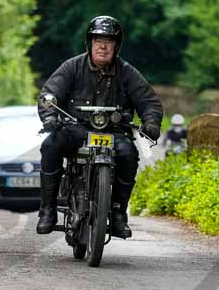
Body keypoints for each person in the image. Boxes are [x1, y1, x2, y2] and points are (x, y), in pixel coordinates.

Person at [37, 15, 163, 238]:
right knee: (50, 145)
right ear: (90, 43)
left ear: (116, 45)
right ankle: (47, 210)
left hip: (114, 133)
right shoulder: (72, 67)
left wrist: (151, 123)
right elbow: (49, 94)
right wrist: (49, 117)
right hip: (76, 129)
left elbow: (149, 102)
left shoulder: (127, 72)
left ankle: (118, 214)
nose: (103, 46)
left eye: (109, 41)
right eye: (98, 40)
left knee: (129, 154)